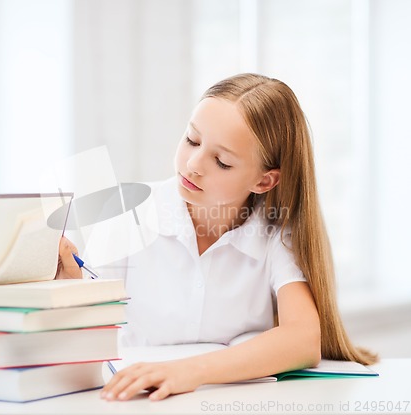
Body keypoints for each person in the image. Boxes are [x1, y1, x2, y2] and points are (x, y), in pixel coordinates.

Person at [56, 73, 378, 401]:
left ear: (265, 181)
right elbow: (88, 331)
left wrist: (188, 371)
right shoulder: (127, 212)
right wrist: (69, 288)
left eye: (221, 162)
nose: (193, 164)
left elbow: (303, 339)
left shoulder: (277, 235)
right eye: (192, 140)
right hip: (136, 403)